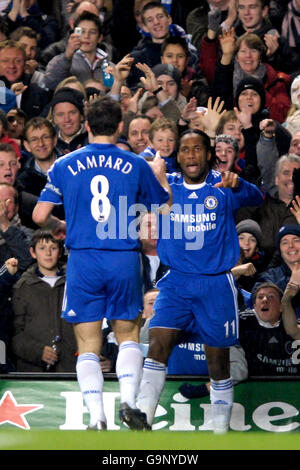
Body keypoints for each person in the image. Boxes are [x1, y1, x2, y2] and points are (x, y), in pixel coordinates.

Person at [32, 95, 171, 431]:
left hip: (84, 260)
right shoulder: (136, 164)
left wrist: (60, 227)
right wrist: (161, 177)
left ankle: (97, 417)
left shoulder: (64, 165)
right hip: (123, 259)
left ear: (87, 126)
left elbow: (39, 216)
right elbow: (163, 208)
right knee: (127, 336)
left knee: (89, 344)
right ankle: (128, 401)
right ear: (120, 127)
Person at [136, 129, 263, 433]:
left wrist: (239, 182)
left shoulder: (222, 187)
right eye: (184, 150)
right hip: (177, 281)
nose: (191, 155)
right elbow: (138, 166)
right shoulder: (166, 185)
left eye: (197, 150)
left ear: (209, 154)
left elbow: (259, 198)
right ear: (176, 156)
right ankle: (142, 417)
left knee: (218, 362)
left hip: (215, 285)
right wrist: (155, 161)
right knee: (158, 342)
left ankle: (219, 432)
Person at [10, 229, 77, 372]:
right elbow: (14, 335)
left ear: (60, 252)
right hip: (34, 373)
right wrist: (38, 352)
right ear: (33, 252)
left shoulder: (75, 282)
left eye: (53, 248)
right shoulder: (22, 287)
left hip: (71, 369)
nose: (48, 253)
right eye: (42, 248)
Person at [44, 12, 112, 92]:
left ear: (100, 38)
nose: (86, 36)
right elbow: (50, 84)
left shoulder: (110, 66)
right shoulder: (62, 61)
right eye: (82, 31)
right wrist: (67, 57)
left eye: (92, 32)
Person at [0, 40, 52, 118]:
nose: (11, 66)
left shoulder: (40, 94)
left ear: (25, 64)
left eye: (18, 61)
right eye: (5, 61)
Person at [49, 87, 88, 155]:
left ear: (81, 116)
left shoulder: (93, 139)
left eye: (72, 113)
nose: (67, 119)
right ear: (54, 118)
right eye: (60, 114)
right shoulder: (48, 142)